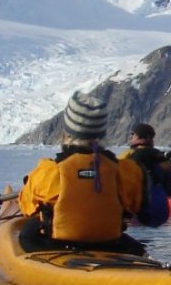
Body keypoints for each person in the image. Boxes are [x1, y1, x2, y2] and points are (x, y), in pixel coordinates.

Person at [18, 91, 147, 254]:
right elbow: (136, 205)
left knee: (27, 233)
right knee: (134, 246)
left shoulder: (50, 171)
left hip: (57, 243)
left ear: (66, 134)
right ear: (101, 133)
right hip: (108, 243)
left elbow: (27, 207)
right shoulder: (125, 171)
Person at [121, 123, 171, 226]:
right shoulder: (163, 158)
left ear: (138, 137)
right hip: (161, 212)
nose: (130, 137)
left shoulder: (126, 157)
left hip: (136, 215)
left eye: (132, 134)